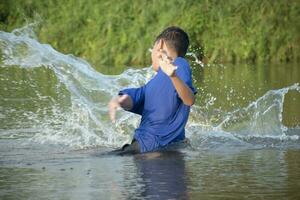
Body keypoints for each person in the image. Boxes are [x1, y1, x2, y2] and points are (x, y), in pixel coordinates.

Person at [108, 26, 197, 154]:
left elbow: (189, 100)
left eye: (152, 48)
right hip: (152, 150)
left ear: (160, 44)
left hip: (148, 150)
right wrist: (119, 100)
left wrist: (173, 76)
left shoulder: (179, 63)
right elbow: (135, 97)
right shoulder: (153, 84)